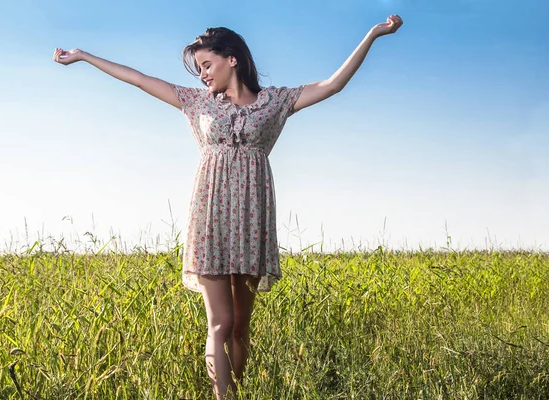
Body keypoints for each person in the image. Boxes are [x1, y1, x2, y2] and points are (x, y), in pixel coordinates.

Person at [53, 14, 403, 399]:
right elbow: (138, 78)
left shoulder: (274, 103)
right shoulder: (196, 102)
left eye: (207, 64)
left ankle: (233, 392)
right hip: (211, 216)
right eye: (198, 68)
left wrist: (373, 34)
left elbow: (333, 84)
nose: (202, 74)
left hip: (252, 219)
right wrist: (85, 56)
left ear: (231, 59)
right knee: (219, 322)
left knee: (240, 326)